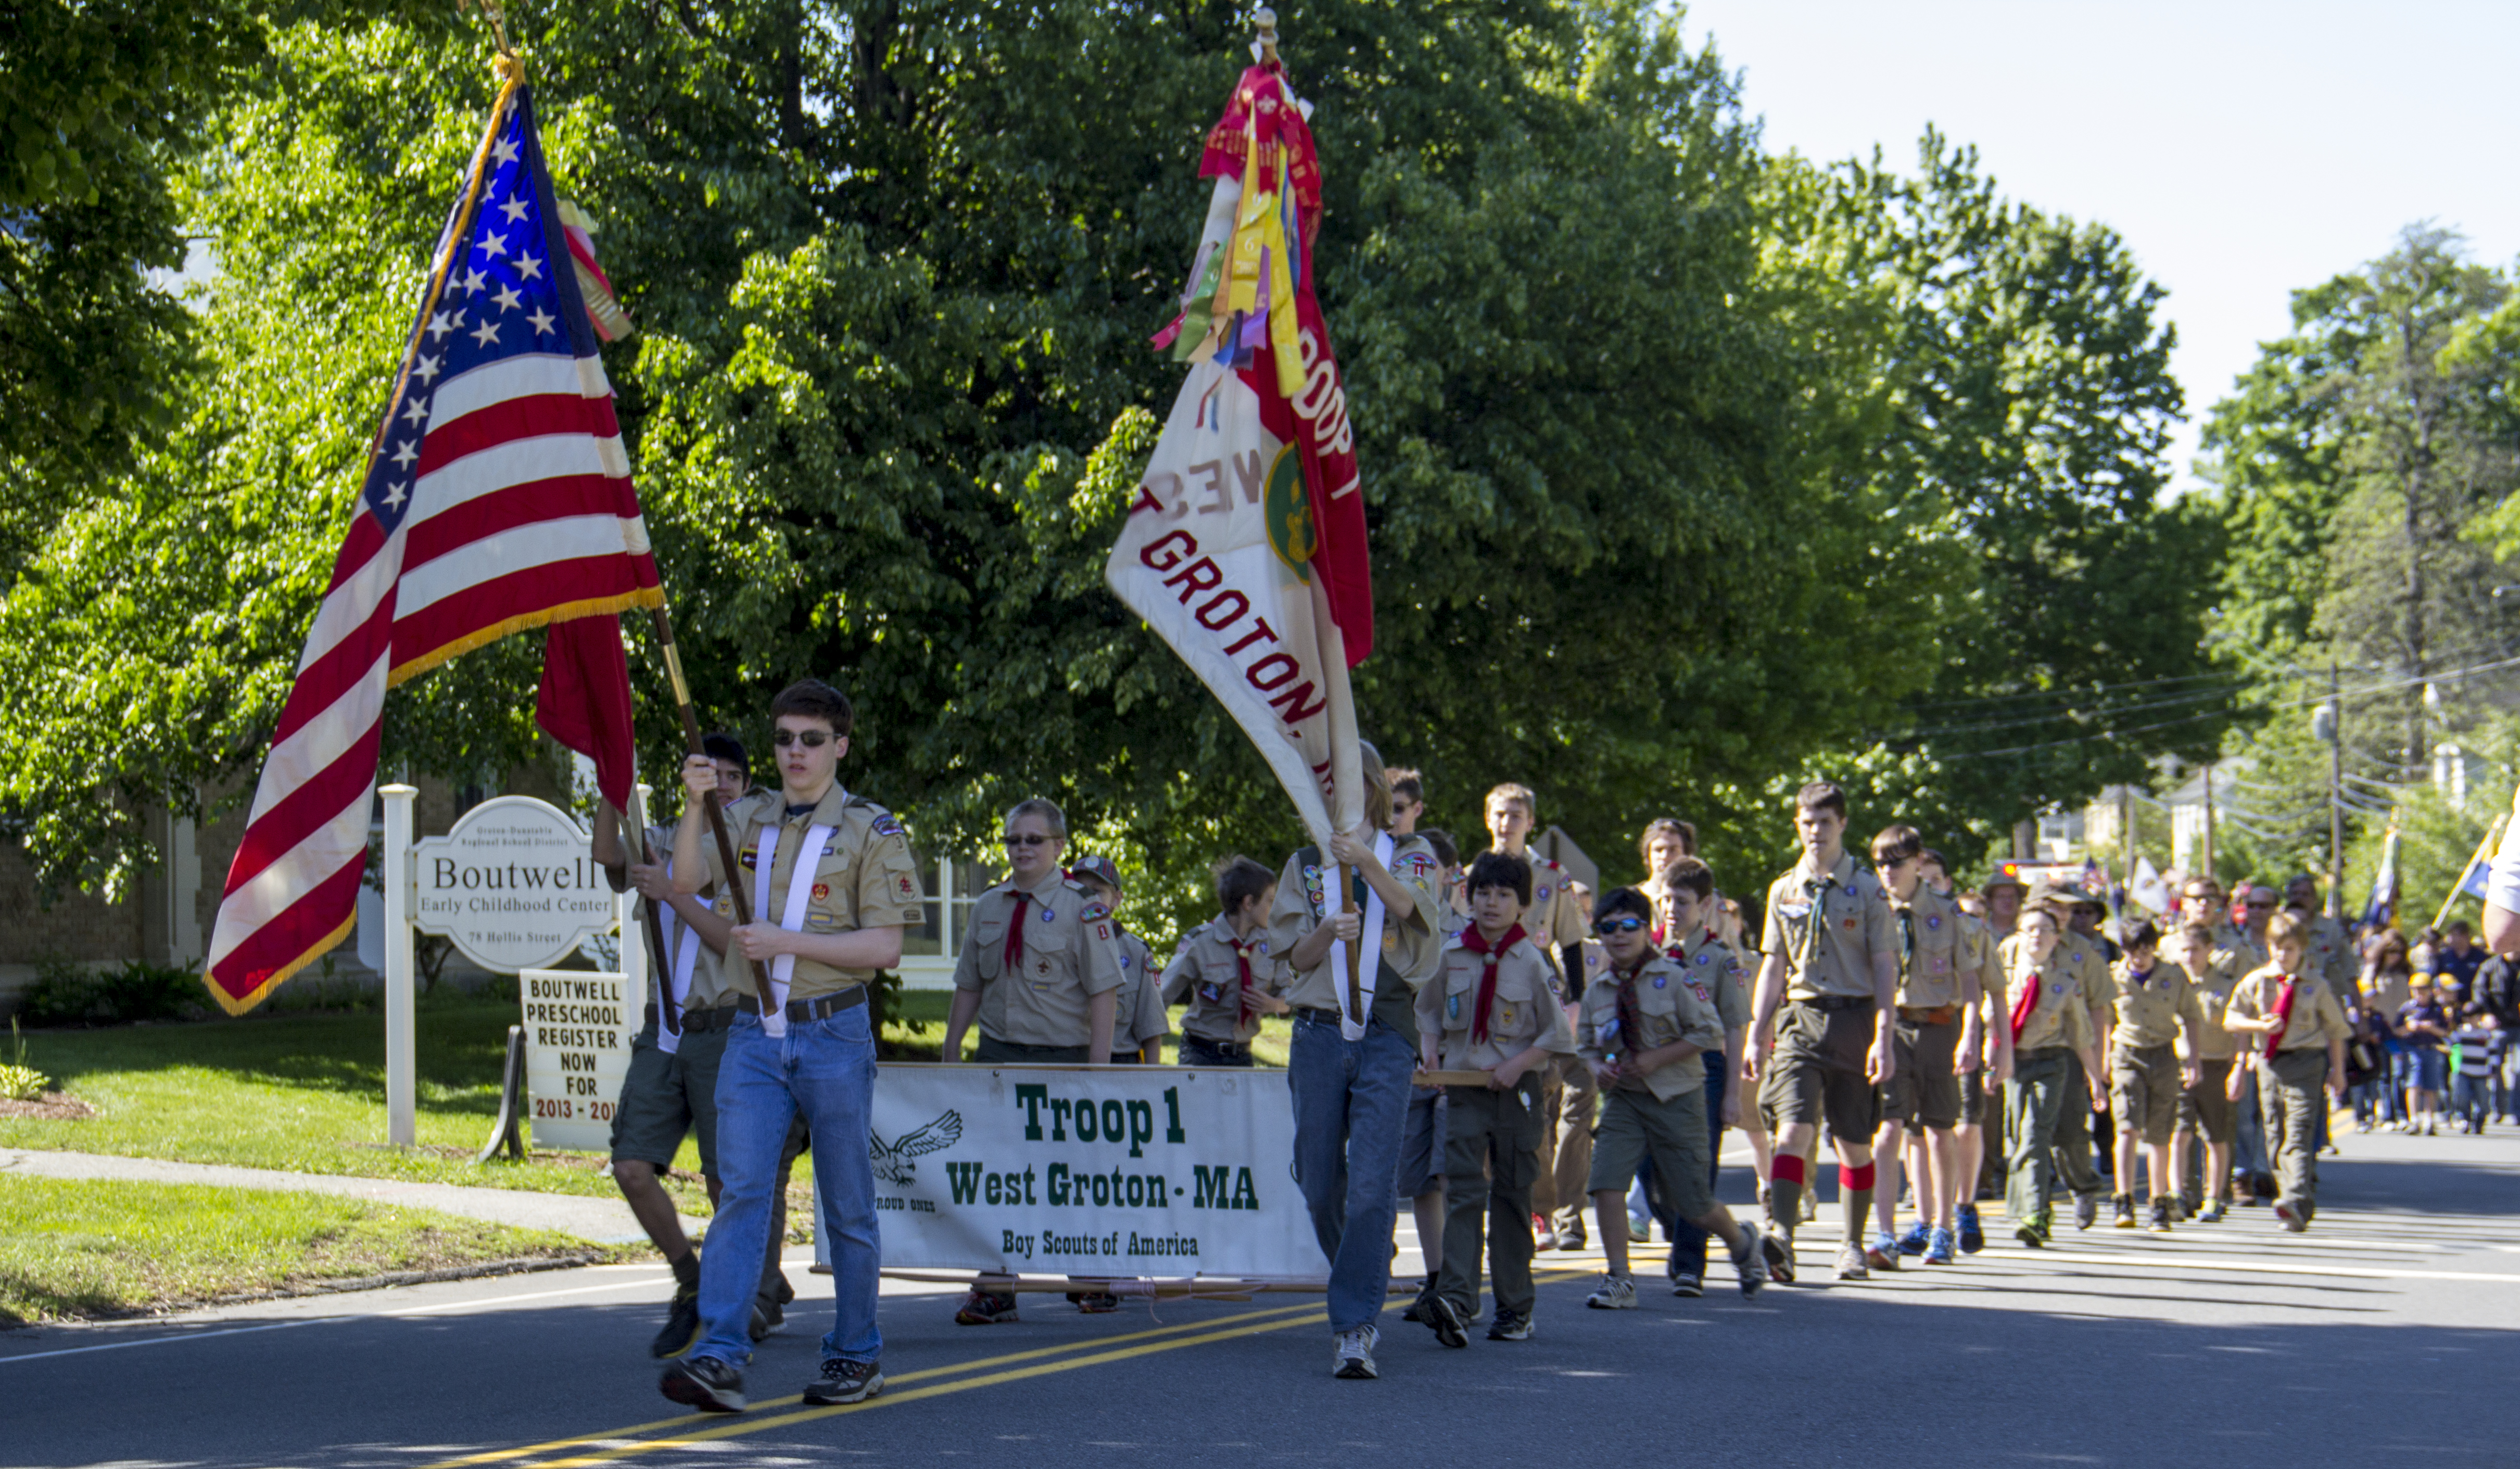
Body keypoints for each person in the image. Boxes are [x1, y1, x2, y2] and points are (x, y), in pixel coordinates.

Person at [659, 679, 922, 1413]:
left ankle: (855, 1352)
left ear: (840, 744)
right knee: (741, 1191)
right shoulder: (744, 816)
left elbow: (886, 948)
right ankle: (718, 1353)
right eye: (783, 739)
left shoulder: (872, 829)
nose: (795, 752)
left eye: (811, 739)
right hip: (753, 1030)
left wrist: (783, 941)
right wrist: (691, 805)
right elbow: (684, 878)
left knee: (846, 1201)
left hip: (834, 1028)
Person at [593, 733, 793, 1358]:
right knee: (630, 1166)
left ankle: (756, 1294)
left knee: (728, 1178)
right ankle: (690, 1276)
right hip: (665, 1028)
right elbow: (606, 853)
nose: (723, 785)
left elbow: (732, 944)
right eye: (712, 774)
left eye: (734, 776)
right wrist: (611, 776)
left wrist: (673, 891)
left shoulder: (754, 853)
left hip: (725, 1025)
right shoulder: (663, 841)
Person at [1269, 741, 1442, 1380]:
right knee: (1319, 1183)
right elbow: (1291, 955)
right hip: (1316, 1034)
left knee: (1372, 1184)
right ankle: (1367, 1263)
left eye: (1340, 780)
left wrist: (1367, 861)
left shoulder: (1412, 856)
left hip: (1385, 1034)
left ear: (1366, 784)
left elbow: (1412, 912)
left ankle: (1353, 1327)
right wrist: (1327, 931)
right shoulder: (1302, 863)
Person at [941, 797, 1124, 1326]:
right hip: (998, 1055)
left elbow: (1104, 990)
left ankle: (1086, 1275)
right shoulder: (988, 905)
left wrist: (1097, 1070)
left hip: (1062, 1059)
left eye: (1033, 839)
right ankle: (996, 1284)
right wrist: (953, 1047)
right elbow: (969, 982)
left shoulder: (1083, 905)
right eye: (1013, 839)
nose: (1022, 848)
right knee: (995, 1173)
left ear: (1058, 846)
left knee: (1065, 1173)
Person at [1577, 886, 1770, 1310]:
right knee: (1606, 1185)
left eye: (1629, 925)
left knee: (1693, 1204)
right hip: (1625, 1100)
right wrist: (1598, 1069)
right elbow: (1586, 1046)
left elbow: (1710, 1032)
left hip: (1677, 1098)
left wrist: (1655, 1059)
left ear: (1647, 930)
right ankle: (1619, 1279)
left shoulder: (1677, 978)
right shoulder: (1598, 991)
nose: (1619, 935)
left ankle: (1741, 1243)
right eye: (1608, 927)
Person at [1415, 852, 1578, 1347]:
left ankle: (1515, 1307)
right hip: (1466, 1091)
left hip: (1516, 1093)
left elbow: (1558, 1036)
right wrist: (1429, 1056)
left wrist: (1516, 1064)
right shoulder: (1451, 955)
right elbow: (1428, 1012)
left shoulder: (1531, 961)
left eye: (1504, 895)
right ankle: (1459, 1301)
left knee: (1511, 1197)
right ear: (1468, 896)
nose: (1491, 903)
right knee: (1463, 1192)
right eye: (1483, 892)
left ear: (1522, 905)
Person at [1746, 781, 1898, 1284]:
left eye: (1825, 823)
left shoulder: (1869, 889)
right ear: (1797, 824)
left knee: (1854, 1144)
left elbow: (1883, 967)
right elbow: (1773, 965)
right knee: (1791, 1130)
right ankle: (1782, 1236)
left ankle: (1852, 1245)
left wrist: (1884, 1035)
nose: (1815, 832)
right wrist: (1756, 1030)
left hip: (1855, 1019)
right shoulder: (1784, 889)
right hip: (1802, 1018)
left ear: (1842, 825)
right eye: (1807, 822)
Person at [1467, 783, 1593, 1250]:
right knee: (1485, 1110)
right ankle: (1503, 1204)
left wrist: (1576, 1003)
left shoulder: (1552, 879)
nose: (1507, 823)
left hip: (1538, 1005)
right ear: (1487, 819)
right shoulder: (1472, 876)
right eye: (1499, 814)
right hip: (1486, 1006)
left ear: (1530, 822)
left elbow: (1572, 943)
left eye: (1516, 815)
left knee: (1535, 1109)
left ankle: (1542, 1210)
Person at [1866, 825, 1986, 1269]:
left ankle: (1941, 1228)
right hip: (1889, 1028)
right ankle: (1883, 1232)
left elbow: (1970, 983)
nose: (1886, 872)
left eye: (1895, 862)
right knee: (1888, 1129)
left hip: (1938, 1026)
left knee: (1938, 1131)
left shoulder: (1946, 911)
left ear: (1917, 862)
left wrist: (1971, 1035)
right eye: (1879, 864)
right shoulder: (1871, 910)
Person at [1651, 855, 1753, 1293]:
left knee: (1696, 1166)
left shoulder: (1719, 959)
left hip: (1704, 1069)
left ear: (1706, 903)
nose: (1672, 909)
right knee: (1648, 1168)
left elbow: (1734, 1025)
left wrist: (1732, 1094)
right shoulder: (1649, 952)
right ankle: (1680, 1229)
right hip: (1655, 1068)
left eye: (1683, 901)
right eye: (1666, 899)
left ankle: (1691, 1263)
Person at [2221, 911, 2351, 1232]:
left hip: (2307, 1060)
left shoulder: (2315, 985)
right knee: (2275, 1132)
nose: (2283, 954)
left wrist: (2338, 1071)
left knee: (2299, 1129)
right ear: (2268, 947)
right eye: (2277, 947)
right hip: (2269, 1060)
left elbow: (2336, 1029)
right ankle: (2297, 1202)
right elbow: (2231, 1019)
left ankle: (2292, 1196)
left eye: (2290, 948)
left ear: (2302, 950)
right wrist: (2258, 1025)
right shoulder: (2256, 981)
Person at [2002, 905, 2105, 1248]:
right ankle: (2025, 1208)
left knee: (2036, 1134)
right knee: (2018, 1136)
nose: (2036, 936)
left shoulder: (2064, 982)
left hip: (2052, 1062)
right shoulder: (2005, 977)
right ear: (2018, 935)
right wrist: (1991, 1064)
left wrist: (2096, 1080)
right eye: (2029, 929)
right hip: (2016, 1063)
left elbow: (2080, 1035)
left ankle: (2037, 1213)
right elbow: (1993, 1024)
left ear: (2056, 939)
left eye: (2044, 930)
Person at [1396, 828, 1462, 1324]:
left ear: (1449, 875)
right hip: (1410, 1062)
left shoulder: (1465, 931)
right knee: (1419, 1180)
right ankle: (1436, 1280)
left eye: (1426, 870)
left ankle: (1462, 1283)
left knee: (1452, 1175)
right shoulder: (1395, 923)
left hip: (1460, 1071)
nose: (1415, 877)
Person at [2101, 916, 2201, 1232]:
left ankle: (2158, 1202)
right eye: (2131, 951)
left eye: (2144, 950)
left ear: (2154, 949)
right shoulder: (2114, 977)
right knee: (2128, 1127)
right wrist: (2103, 1060)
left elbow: (2192, 1017)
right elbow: (2104, 1020)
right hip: (2127, 1054)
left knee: (2160, 1133)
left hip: (2163, 1054)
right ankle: (2124, 1198)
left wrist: (2193, 1059)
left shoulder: (2173, 976)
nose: (2137, 958)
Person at [1163, 855, 1290, 1069]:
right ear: (1249, 903)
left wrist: (1275, 1004)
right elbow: (1161, 997)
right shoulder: (1200, 943)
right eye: (1270, 900)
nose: (1275, 906)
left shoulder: (1272, 945)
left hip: (1242, 1055)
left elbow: (1292, 993)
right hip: (1199, 1054)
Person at [2169, 920, 2242, 1222]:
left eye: (2195, 950)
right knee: (2179, 1132)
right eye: (2184, 950)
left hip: (2215, 1065)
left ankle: (2214, 1196)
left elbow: (2238, 1029)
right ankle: (2177, 1193)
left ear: (2210, 950)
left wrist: (2239, 1065)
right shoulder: (2170, 984)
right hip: (2178, 1065)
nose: (2189, 956)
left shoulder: (2225, 986)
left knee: (2215, 1134)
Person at [1067, 854, 1171, 1065]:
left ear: (1116, 899)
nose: (1086, 898)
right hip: (1067, 1063)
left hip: (1121, 1069)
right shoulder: (1058, 944)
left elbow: (1151, 1028)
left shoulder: (1136, 953)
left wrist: (1153, 1082)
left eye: (1096, 891)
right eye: (1079, 890)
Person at [2361, 931, 2418, 1130]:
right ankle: (2387, 1116)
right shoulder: (2373, 972)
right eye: (2391, 951)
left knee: (2400, 1075)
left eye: (2400, 952)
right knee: (2385, 1076)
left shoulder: (2407, 972)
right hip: (2381, 1031)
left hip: (2402, 1031)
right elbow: (2365, 999)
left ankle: (2403, 1114)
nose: (2396, 956)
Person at [2398, 976, 2451, 1136]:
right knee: (2414, 1084)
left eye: (2423, 989)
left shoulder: (2437, 1009)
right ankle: (2414, 1119)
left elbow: (2445, 1032)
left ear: (2430, 991)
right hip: (2414, 1049)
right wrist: (2409, 1027)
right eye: (2415, 990)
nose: (2419, 993)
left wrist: (2430, 1028)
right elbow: (2396, 1031)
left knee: (2431, 1086)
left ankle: (2429, 1119)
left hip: (2432, 1048)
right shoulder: (2407, 1008)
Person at [2448, 1008, 2501, 1133]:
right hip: (2464, 1072)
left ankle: (2480, 1120)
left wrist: (2493, 1070)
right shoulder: (2461, 1032)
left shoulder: (2486, 1034)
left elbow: (2493, 1054)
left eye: (2475, 1017)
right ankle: (2465, 1119)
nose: (2472, 1020)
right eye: (2469, 1017)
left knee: (2483, 1100)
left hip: (2481, 1073)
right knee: (2462, 1097)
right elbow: (2449, 1041)